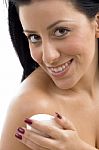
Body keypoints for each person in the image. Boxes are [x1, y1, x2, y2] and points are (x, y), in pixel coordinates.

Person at [1, 0, 99, 149]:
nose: (48, 57)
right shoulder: (34, 108)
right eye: (34, 37)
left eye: (61, 31)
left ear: (97, 22)